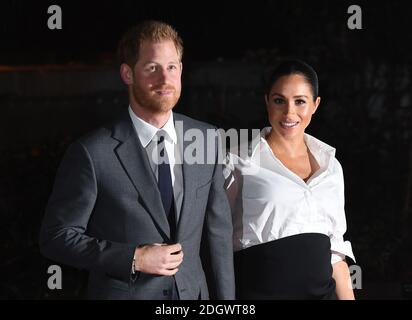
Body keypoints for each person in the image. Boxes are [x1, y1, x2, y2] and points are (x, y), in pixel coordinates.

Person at [39, 20, 235, 300]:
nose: (165, 79)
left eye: (172, 67)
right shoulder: (91, 153)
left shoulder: (207, 138)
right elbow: (57, 237)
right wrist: (133, 258)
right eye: (152, 68)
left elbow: (218, 236)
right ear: (128, 74)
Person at [224, 59, 356, 300]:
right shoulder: (238, 160)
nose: (289, 113)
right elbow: (215, 237)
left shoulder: (331, 167)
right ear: (267, 101)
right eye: (279, 101)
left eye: (300, 102)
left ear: (315, 105)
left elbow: (336, 252)